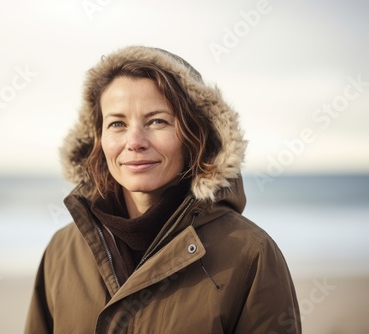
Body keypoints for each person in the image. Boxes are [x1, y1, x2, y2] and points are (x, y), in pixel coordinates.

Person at [24, 45, 301, 333]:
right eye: (117, 123)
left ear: (196, 134)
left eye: (157, 121)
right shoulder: (62, 251)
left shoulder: (251, 253)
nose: (135, 141)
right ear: (98, 138)